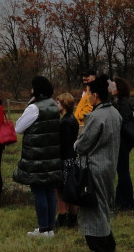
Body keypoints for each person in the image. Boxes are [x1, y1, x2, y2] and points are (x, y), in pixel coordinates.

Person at [75, 74, 122, 252]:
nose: (87, 96)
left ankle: (102, 245)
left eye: (88, 92)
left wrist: (77, 142)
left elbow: (83, 144)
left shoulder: (96, 116)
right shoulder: (114, 113)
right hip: (109, 167)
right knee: (104, 206)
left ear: (95, 95)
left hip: (94, 170)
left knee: (94, 212)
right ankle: (108, 244)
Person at [12, 76, 63, 237]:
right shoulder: (54, 105)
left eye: (32, 87)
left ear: (36, 90)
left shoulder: (34, 108)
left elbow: (18, 128)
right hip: (52, 155)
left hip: (36, 156)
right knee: (49, 191)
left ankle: (43, 228)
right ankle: (50, 228)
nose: (30, 90)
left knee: (39, 191)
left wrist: (29, 104)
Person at [110, 77, 134, 211]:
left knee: (123, 172)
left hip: (123, 142)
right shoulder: (117, 102)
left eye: (113, 86)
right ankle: (121, 200)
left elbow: (124, 122)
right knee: (121, 171)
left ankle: (127, 202)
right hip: (120, 142)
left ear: (119, 89)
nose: (111, 88)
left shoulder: (123, 104)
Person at [55, 92, 80, 229]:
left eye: (58, 103)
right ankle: (72, 218)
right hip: (72, 158)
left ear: (63, 105)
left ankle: (64, 216)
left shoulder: (65, 122)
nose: (57, 105)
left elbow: (63, 143)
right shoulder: (72, 119)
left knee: (61, 191)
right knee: (70, 190)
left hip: (65, 160)